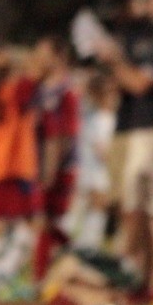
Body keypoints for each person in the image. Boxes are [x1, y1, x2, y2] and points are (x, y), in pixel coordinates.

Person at [95, 0, 153, 305]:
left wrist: (115, 62)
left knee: (151, 211)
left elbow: (140, 84)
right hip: (144, 131)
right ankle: (143, 280)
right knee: (139, 208)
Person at [0, 46, 40, 300]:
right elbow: (36, 74)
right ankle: (3, 275)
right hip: (13, 166)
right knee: (30, 222)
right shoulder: (15, 89)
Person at [31, 35, 80, 281]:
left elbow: (65, 135)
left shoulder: (66, 90)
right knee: (44, 221)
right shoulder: (41, 89)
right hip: (40, 163)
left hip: (60, 166)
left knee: (43, 220)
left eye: (43, 53)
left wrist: (51, 168)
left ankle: (39, 278)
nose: (38, 58)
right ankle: (78, 258)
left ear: (59, 57)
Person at [64, 71, 118, 252]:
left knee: (92, 208)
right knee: (92, 206)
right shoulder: (101, 119)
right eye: (111, 94)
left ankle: (85, 245)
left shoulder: (94, 117)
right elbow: (102, 150)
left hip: (90, 171)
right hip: (96, 172)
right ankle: (84, 246)